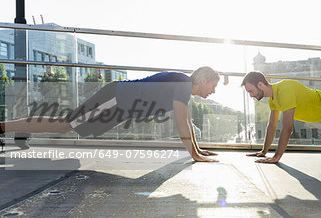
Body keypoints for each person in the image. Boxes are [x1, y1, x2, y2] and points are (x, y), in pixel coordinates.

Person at [0, 67, 220, 162]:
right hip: (115, 99)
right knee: (64, 124)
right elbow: (182, 123)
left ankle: (15, 129)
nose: (213, 90)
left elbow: (188, 122)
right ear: (202, 80)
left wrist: (199, 150)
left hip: (118, 108)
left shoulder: (183, 90)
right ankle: (3, 127)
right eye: (213, 85)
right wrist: (195, 155)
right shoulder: (183, 83)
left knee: (74, 128)